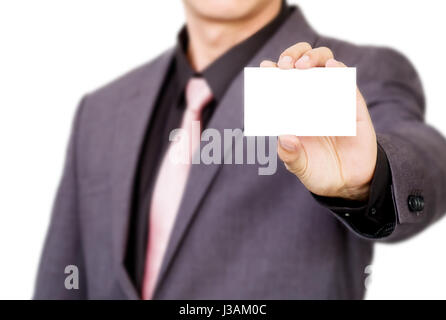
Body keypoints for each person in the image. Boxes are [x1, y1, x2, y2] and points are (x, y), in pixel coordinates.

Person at [35, 0, 446, 299]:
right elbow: (60, 278)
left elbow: (429, 157)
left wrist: (370, 178)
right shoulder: (101, 109)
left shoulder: (352, 75)